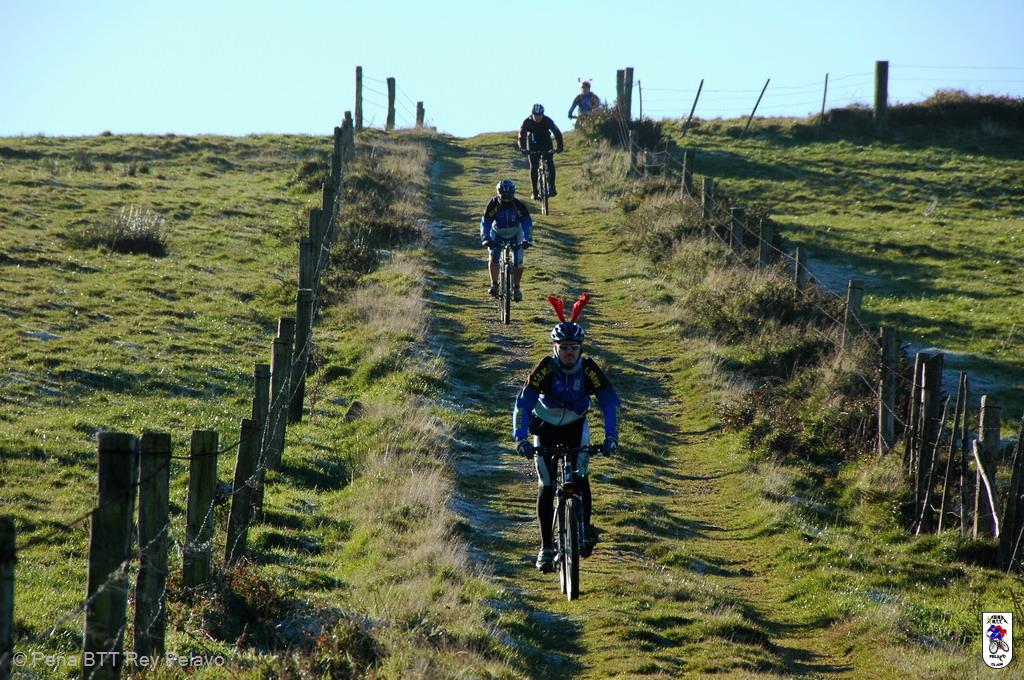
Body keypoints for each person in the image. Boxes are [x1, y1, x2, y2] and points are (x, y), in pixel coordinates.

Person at [512, 293, 620, 572]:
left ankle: (583, 530)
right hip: (545, 427)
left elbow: (609, 402)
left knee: (581, 477)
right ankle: (546, 547)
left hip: (575, 427)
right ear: (555, 347)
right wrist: (520, 438)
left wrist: (611, 436)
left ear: (581, 349)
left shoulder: (588, 369)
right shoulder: (545, 368)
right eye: (564, 348)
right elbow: (523, 403)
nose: (569, 352)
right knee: (547, 485)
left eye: (574, 347)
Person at [480, 179, 533, 302]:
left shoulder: (518, 205)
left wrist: (527, 239)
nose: (507, 200)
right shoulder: (493, 204)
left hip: (516, 233)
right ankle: (494, 284)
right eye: (504, 196)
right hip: (497, 232)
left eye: (510, 197)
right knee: (494, 256)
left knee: (519, 261)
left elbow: (526, 222)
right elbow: (485, 222)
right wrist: (486, 238)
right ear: (499, 194)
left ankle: (517, 288)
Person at [517, 104, 564, 200]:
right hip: (533, 144)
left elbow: (557, 133)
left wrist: (559, 146)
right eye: (535, 115)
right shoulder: (527, 122)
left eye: (539, 115)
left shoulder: (547, 120)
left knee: (550, 163)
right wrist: (523, 148)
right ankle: (535, 191)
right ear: (532, 114)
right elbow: (521, 136)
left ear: (543, 114)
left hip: (546, 143)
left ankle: (552, 187)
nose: (537, 117)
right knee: (534, 167)